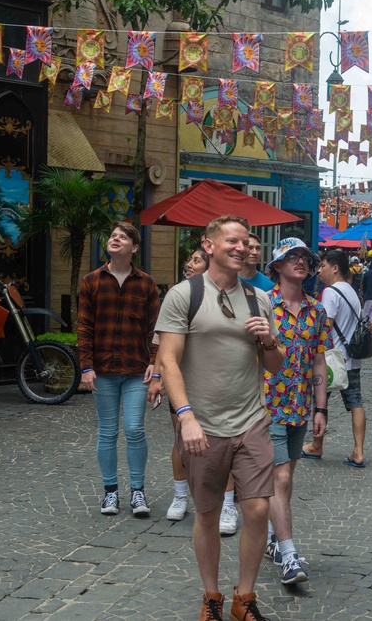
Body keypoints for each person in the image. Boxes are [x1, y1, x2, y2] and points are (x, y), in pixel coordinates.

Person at [156, 214, 285, 621]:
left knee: (259, 509)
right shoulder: (183, 294)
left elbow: (276, 366)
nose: (242, 247)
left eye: (246, 241)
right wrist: (185, 417)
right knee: (208, 513)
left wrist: (268, 339)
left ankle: (243, 598)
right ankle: (211, 596)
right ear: (208, 245)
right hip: (203, 423)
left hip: (251, 419)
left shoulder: (259, 298)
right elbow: (168, 360)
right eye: (232, 240)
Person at [77, 221, 160, 518]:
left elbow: (155, 328)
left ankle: (137, 491)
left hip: (138, 369)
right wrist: (86, 366)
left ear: (134, 248)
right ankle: (110, 493)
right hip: (103, 370)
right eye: (112, 235)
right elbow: (84, 326)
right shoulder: (91, 281)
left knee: (135, 429)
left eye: (122, 237)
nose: (115, 239)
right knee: (108, 432)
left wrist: (154, 362)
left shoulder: (147, 284)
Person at [260, 238, 330, 585]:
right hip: (266, 405)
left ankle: (274, 539)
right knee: (281, 477)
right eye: (292, 257)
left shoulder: (317, 311)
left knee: (286, 481)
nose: (300, 262)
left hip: (300, 407)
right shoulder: (264, 306)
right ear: (277, 267)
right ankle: (289, 556)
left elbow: (319, 360)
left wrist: (321, 407)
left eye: (305, 257)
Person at [159, 246, 240, 536]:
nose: (189, 263)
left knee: (227, 445)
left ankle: (227, 504)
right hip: (182, 383)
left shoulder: (232, 296)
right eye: (189, 259)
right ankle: (180, 495)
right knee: (180, 441)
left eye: (196, 259)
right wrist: (157, 375)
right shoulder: (180, 295)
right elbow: (165, 346)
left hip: (220, 386)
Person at [303, 249, 368, 467]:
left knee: (320, 403)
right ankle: (358, 451)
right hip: (351, 359)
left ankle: (316, 445)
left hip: (331, 360)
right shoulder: (351, 290)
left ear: (335, 268)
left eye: (322, 266)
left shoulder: (331, 293)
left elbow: (326, 326)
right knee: (356, 403)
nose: (319, 270)